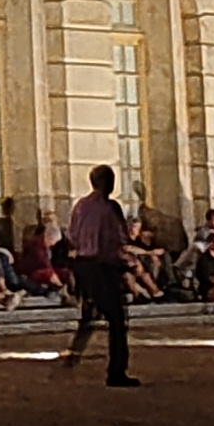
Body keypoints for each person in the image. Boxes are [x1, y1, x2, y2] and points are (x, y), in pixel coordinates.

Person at [61, 162, 139, 387]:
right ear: (107, 183)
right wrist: (126, 261)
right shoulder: (110, 207)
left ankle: (72, 355)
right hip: (102, 266)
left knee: (90, 312)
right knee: (116, 319)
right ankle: (116, 371)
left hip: (83, 265)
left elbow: (73, 235)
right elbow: (119, 237)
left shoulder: (80, 206)